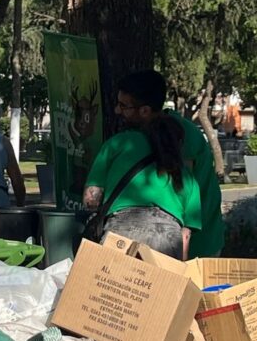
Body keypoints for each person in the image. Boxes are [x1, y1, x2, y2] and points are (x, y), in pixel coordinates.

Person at [83, 71, 198, 259]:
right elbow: (185, 237)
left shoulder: (117, 144)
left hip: (121, 234)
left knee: (110, 287)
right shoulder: (183, 172)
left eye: (123, 106)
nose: (117, 111)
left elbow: (91, 199)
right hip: (168, 241)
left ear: (144, 111)